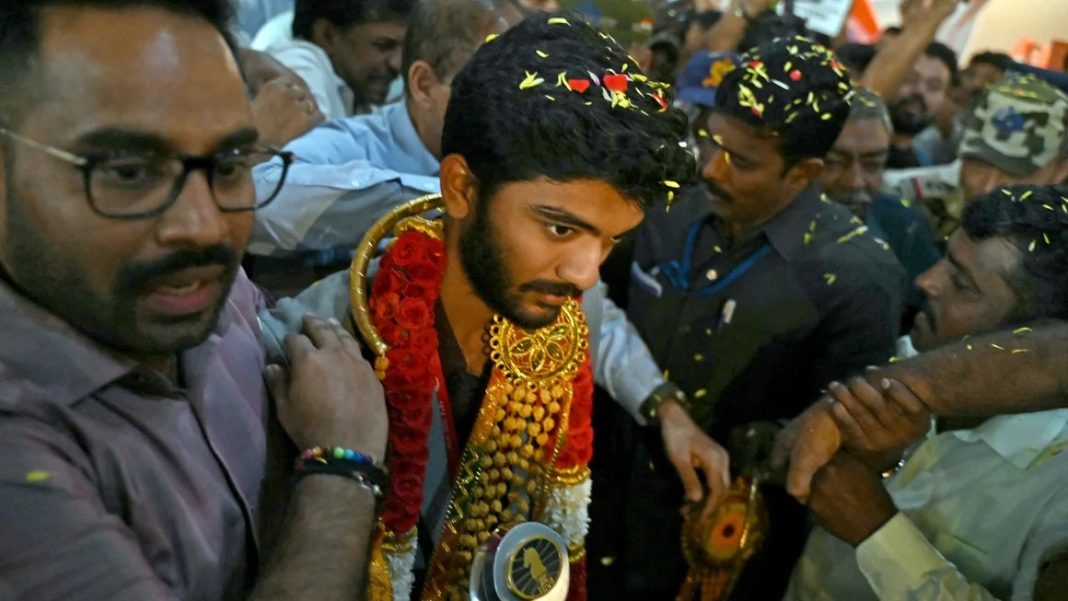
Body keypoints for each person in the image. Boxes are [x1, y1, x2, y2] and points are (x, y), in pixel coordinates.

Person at [259, 12, 721, 600]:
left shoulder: (566, 330)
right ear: (460, 188)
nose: (585, 273)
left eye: (610, 241)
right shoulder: (310, 349)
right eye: (559, 229)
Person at [0, 1, 386, 599]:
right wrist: (341, 468)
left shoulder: (181, 281)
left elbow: (285, 338)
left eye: (229, 164)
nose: (204, 226)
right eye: (129, 172)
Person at [603, 37, 904, 601]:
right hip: (607, 507)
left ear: (804, 172)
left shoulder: (858, 276)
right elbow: (599, 311)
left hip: (727, 556)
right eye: (709, 140)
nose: (711, 168)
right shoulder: (667, 204)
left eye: (741, 160)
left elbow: (846, 449)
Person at [784, 184, 1068, 600]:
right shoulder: (902, 358)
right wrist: (875, 463)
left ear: (1031, 341)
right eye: (944, 260)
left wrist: (875, 529)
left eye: (962, 283)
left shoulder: (1055, 488)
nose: (925, 281)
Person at [249, 0, 522, 264]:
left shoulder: (522, 153)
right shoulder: (354, 144)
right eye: (494, 89)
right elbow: (263, 197)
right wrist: (447, 200)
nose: (514, 106)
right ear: (424, 85)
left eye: (524, 87)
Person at [885, 73, 1068, 239]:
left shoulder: (1058, 239)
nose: (989, 186)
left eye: (1015, 171)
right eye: (980, 163)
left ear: (1061, 170)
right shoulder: (898, 195)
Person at [819, 88, 940, 325]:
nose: (855, 181)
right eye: (833, 163)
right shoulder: (756, 219)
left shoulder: (905, 230)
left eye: (872, 164)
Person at [261, 0, 414, 119]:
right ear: (328, 35)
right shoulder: (300, 66)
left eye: (404, 48)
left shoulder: (354, 91)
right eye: (383, 46)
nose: (397, 64)